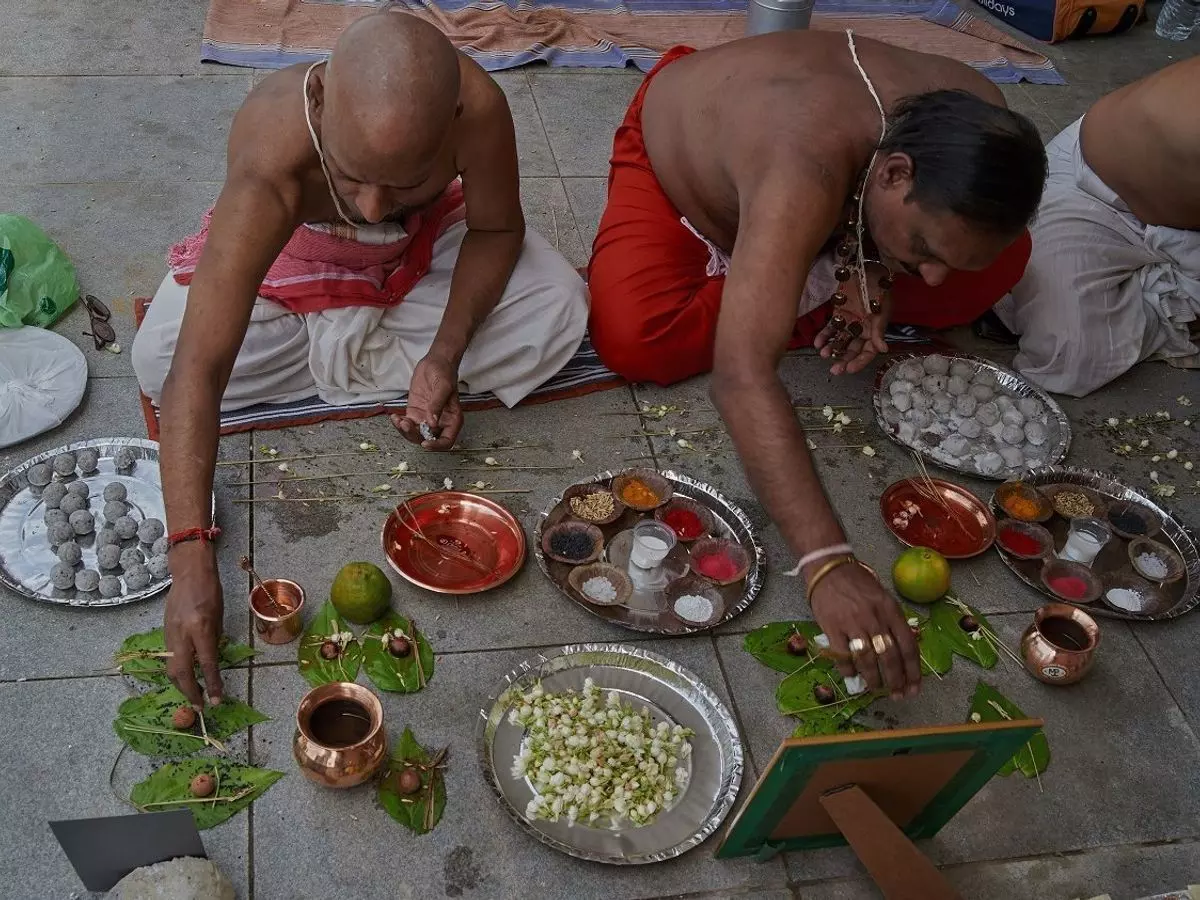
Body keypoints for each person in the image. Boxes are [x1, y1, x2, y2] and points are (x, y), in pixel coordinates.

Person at [134, 11, 588, 707]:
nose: (373, 205)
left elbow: (496, 229)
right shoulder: (273, 147)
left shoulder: (480, 108)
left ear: (453, 121)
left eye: (402, 182)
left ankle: (383, 356)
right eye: (351, 176)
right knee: (160, 353)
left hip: (414, 257)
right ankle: (367, 345)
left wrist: (444, 353)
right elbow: (195, 368)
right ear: (319, 104)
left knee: (559, 304)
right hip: (294, 262)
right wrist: (190, 550)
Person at [587, 31, 1046, 699]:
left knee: (1000, 265)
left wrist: (879, 265)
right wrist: (826, 562)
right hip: (684, 158)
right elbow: (742, 376)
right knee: (638, 337)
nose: (932, 274)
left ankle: (798, 277)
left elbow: (947, 249)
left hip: (826, 203)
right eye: (920, 246)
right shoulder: (805, 164)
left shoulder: (985, 121)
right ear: (892, 173)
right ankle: (783, 279)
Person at [994, 58, 1200, 397]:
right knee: (1067, 355)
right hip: (1099, 197)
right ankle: (1163, 301)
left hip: (1185, 229)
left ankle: (1161, 298)